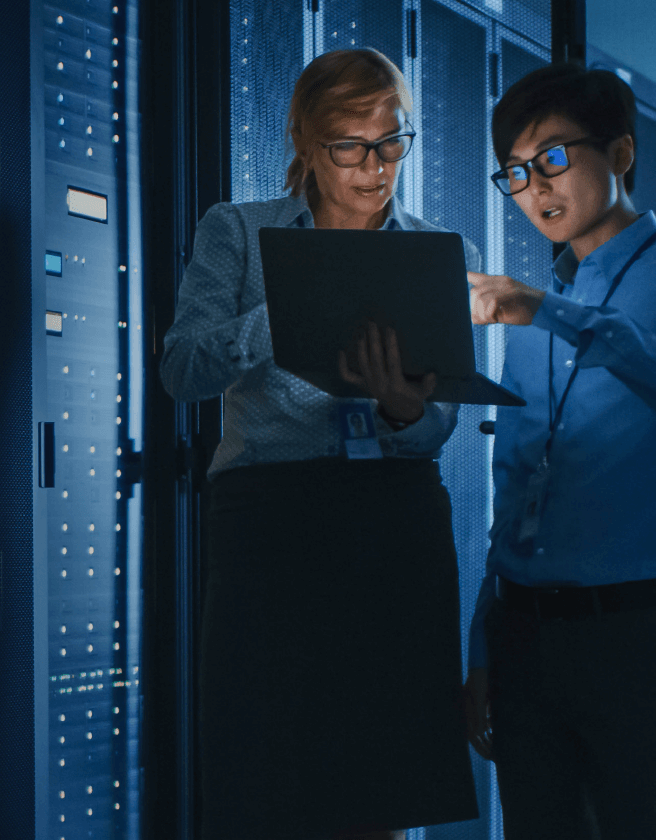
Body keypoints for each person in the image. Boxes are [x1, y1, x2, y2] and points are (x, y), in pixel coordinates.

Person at [161, 48, 481, 839]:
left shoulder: (441, 252)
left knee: (386, 776)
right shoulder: (237, 230)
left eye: (392, 143)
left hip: (392, 519)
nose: (375, 168)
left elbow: (444, 421)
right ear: (305, 142)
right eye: (350, 146)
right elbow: (181, 369)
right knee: (266, 766)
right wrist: (290, 312)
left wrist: (407, 410)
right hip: (271, 521)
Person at [464, 62, 656, 839]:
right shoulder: (530, 314)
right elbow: (515, 490)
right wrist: (483, 645)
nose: (535, 189)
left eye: (552, 158)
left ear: (619, 154)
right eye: (516, 173)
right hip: (525, 639)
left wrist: (554, 313)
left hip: (637, 635)